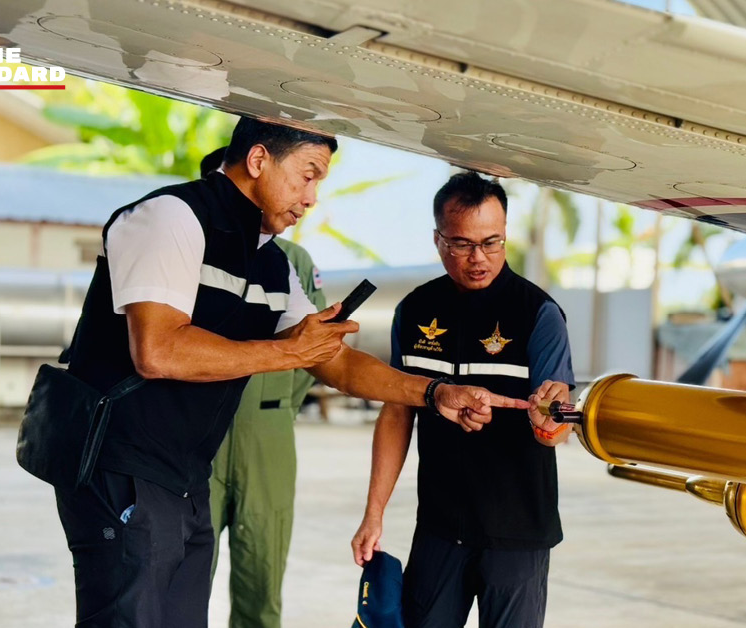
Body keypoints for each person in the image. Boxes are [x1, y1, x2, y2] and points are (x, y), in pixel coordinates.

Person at [55, 120, 529, 627]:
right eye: (307, 176)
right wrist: (288, 353)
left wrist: (435, 393)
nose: (311, 198)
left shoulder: (272, 264)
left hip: (185, 480)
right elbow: (158, 350)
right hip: (122, 470)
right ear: (258, 161)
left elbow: (336, 362)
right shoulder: (170, 218)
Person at [351, 171, 575, 628]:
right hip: (439, 527)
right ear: (438, 240)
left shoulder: (539, 313)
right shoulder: (414, 310)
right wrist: (373, 515)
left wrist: (550, 418)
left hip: (518, 532)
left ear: (506, 235)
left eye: (492, 242)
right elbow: (397, 411)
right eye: (461, 244)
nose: (479, 258)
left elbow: (562, 419)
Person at [201, 146, 326, 628]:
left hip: (266, 434)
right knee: (183, 575)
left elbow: (316, 353)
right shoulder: (191, 245)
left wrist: (275, 405)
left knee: (261, 575)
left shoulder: (290, 259)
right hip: (199, 435)